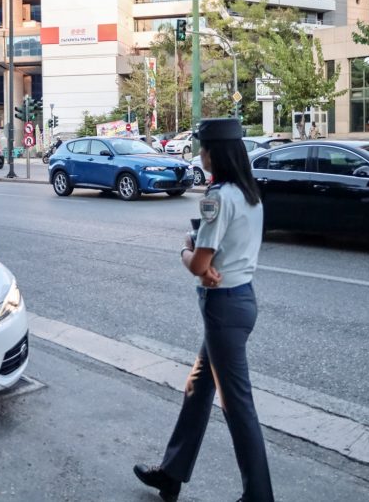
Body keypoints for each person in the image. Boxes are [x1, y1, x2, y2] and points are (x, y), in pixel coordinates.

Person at [133, 118, 274, 502]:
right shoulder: (250, 193)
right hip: (242, 299)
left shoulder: (217, 198)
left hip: (223, 308)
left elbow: (197, 265)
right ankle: (172, 473)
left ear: (217, 153)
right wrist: (208, 261)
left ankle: (259, 496)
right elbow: (224, 253)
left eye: (204, 148)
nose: (200, 155)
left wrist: (185, 247)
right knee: (199, 386)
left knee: (236, 405)